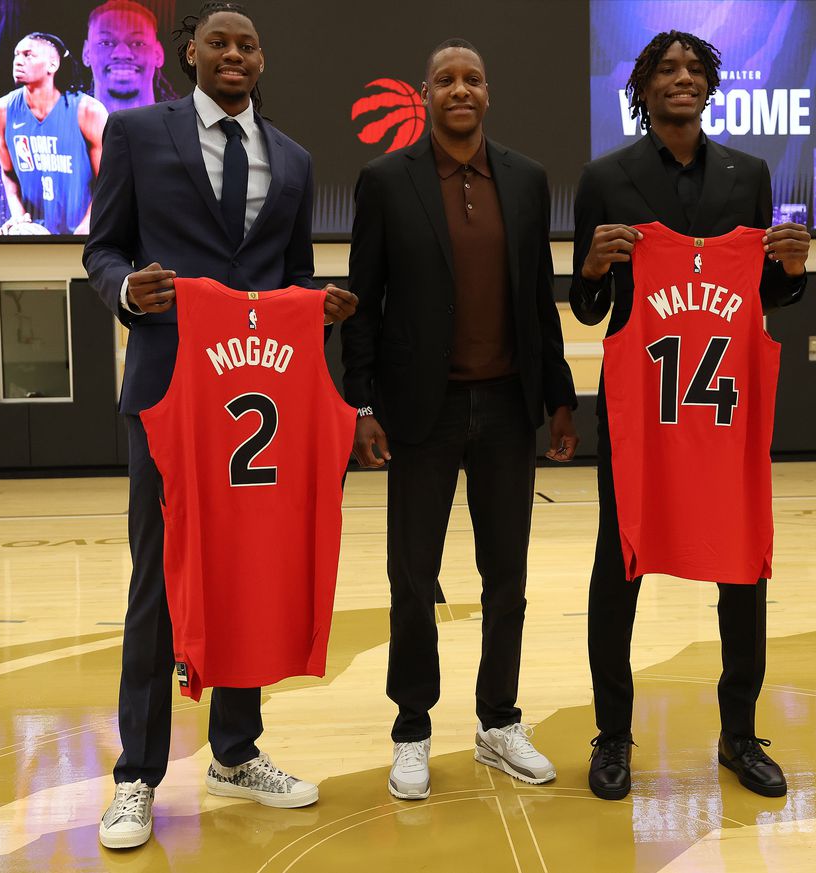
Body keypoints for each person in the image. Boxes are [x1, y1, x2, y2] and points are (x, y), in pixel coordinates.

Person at [83, 1, 358, 849]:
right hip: (171, 394)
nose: (233, 54)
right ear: (190, 53)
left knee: (248, 575)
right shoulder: (135, 133)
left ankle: (236, 752)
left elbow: (295, 274)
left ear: (261, 61)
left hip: (259, 404)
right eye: (219, 42)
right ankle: (136, 775)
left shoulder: (298, 159)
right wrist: (129, 293)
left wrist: (323, 309)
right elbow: (103, 250)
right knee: (156, 585)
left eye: (247, 45)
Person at [571, 30, 810, 801]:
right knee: (620, 565)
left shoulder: (749, 176)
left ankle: (739, 734)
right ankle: (613, 735)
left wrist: (792, 271)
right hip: (642, 409)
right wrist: (593, 268)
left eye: (694, 70)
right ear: (641, 88)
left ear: (712, 86)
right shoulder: (606, 178)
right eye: (666, 70)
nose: (682, 79)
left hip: (725, 409)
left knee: (743, 566)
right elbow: (589, 306)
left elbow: (761, 297)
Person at [343, 38, 579, 802]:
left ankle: (498, 721)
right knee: (413, 578)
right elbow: (363, 302)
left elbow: (539, 295)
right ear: (425, 94)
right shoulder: (385, 181)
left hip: (509, 406)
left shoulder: (526, 178)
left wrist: (560, 395)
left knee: (505, 577)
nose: (459, 90)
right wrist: (364, 402)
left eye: (472, 78)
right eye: (445, 80)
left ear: (488, 91)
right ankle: (412, 728)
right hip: (423, 410)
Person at [0, 32, 107, 235]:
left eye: (28, 55)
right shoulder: (1, 111)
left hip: (84, 234)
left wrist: (89, 225)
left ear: (53, 65)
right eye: (16, 55)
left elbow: (107, 179)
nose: (18, 61)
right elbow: (8, 173)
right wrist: (18, 215)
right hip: (33, 235)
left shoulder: (88, 111)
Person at [83, 0, 180, 114]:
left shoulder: (186, 125)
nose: (122, 54)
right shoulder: (63, 123)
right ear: (87, 53)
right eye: (106, 43)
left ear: (158, 54)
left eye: (138, 43)